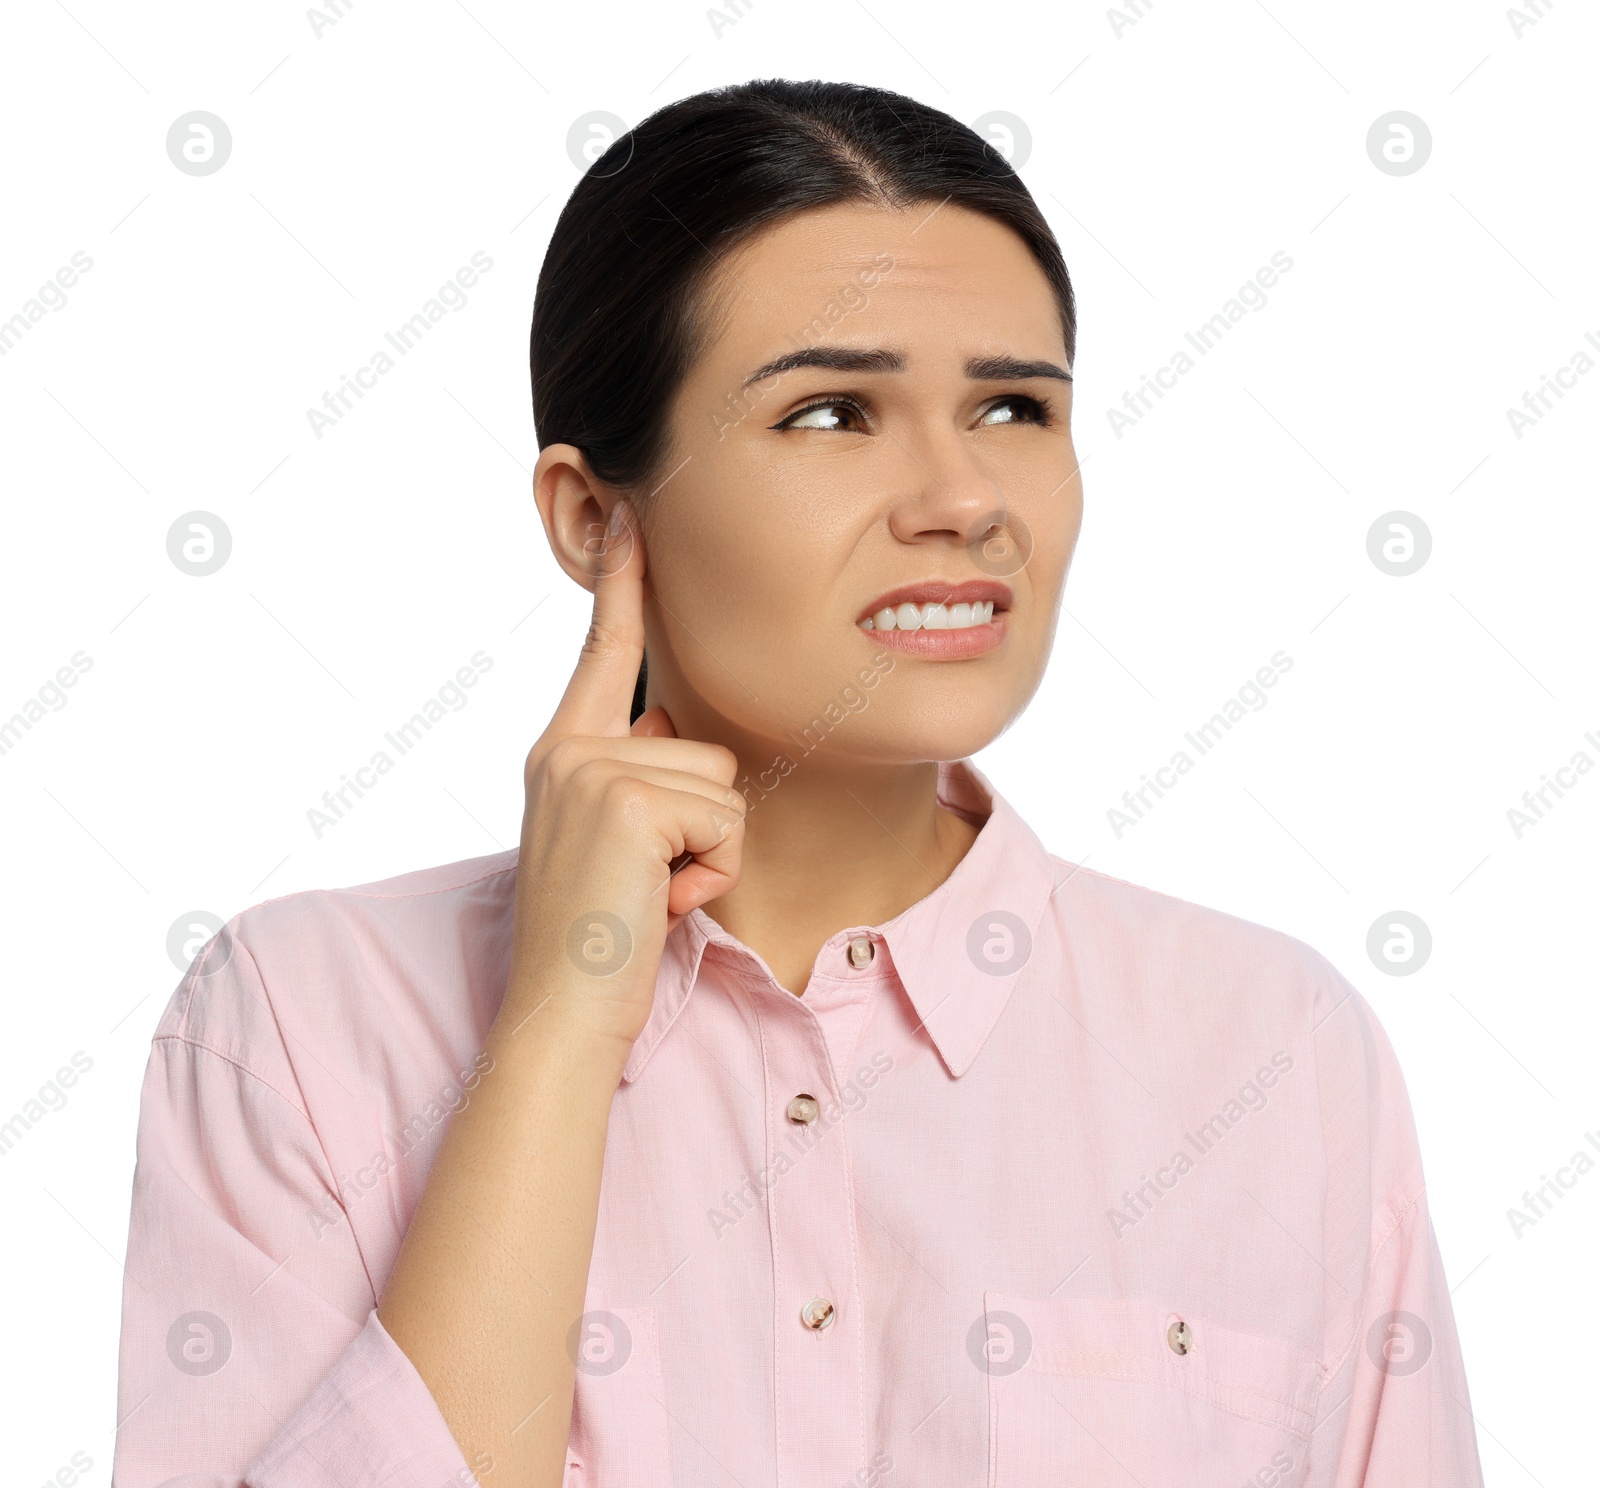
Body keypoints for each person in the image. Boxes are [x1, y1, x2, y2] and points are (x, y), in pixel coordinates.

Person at [113, 78, 1486, 1487]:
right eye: (832, 414)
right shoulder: (300, 1023)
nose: (964, 497)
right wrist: (558, 1026)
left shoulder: (1272, 1052)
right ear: (596, 517)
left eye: (1014, 407)